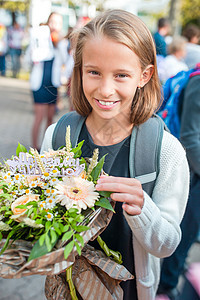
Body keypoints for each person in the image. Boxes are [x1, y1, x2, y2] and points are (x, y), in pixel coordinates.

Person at [41, 10, 189, 300]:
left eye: (121, 75)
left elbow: (167, 244)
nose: (105, 89)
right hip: (65, 290)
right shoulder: (56, 137)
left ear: (144, 75)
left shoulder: (165, 151)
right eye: (93, 72)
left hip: (132, 292)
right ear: (79, 69)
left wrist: (142, 209)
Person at [156, 71, 200, 300]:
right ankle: (166, 286)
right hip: (193, 171)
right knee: (185, 231)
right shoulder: (198, 81)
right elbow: (191, 135)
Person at [29, 12, 69, 151]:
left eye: (58, 23)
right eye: (52, 22)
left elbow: (65, 61)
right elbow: (30, 57)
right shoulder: (39, 38)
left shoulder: (61, 43)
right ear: (48, 22)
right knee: (39, 117)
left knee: (50, 117)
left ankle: (46, 148)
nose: (54, 25)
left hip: (52, 84)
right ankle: (34, 147)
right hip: (39, 83)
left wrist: (59, 45)